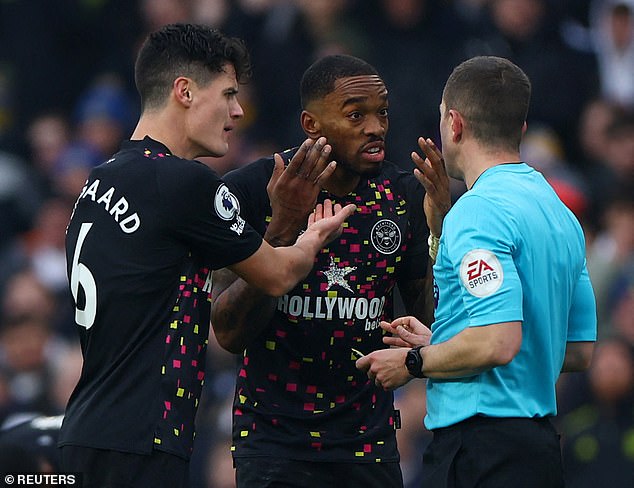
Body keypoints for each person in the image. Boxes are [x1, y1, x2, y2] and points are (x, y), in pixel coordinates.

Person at [58, 23, 356, 488]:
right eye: (228, 94)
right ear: (185, 91)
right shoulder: (179, 184)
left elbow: (186, 241)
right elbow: (278, 275)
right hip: (143, 446)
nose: (238, 111)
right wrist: (310, 235)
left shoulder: (102, 179)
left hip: (83, 436)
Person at [356, 56, 598, 487]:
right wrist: (448, 341)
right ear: (519, 129)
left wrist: (414, 361)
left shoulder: (477, 212)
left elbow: (498, 340)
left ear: (454, 124)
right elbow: (577, 351)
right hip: (538, 451)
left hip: (481, 452)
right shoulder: (560, 213)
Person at [210, 54, 450, 487]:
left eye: (382, 113)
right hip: (272, 441)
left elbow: (430, 323)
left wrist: (439, 233)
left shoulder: (405, 196)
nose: (376, 127)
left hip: (367, 442)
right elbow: (228, 333)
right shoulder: (253, 190)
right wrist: (282, 226)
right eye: (356, 115)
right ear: (311, 124)